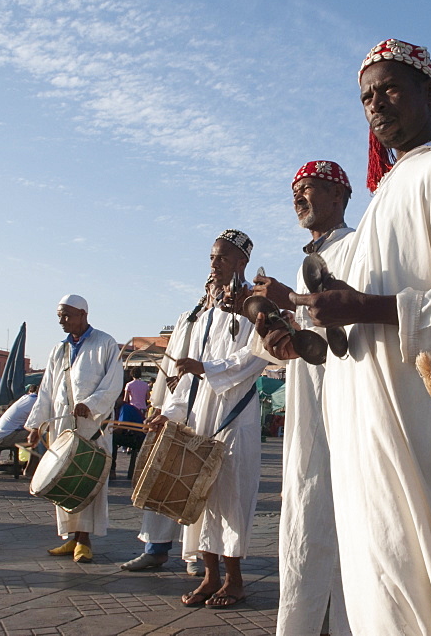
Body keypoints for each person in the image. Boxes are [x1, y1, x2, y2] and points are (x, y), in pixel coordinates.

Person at [287, 39, 431, 634]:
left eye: (389, 88)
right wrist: (311, 329)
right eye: (366, 96)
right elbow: (360, 333)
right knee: (379, 596)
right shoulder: (381, 198)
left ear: (429, 92)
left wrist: (365, 305)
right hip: (371, 441)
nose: (376, 104)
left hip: (429, 443)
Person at [254, 160, 354, 636]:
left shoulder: (357, 248)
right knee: (309, 509)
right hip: (310, 403)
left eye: (309, 189)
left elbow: (351, 329)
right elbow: (311, 336)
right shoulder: (305, 260)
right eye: (295, 191)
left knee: (348, 516)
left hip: (347, 403)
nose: (299, 198)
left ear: (339, 197)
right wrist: (281, 333)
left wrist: (290, 303)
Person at [149, 229, 268, 608]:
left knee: (231, 496)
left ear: (241, 263)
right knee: (198, 494)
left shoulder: (257, 305)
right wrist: (170, 413)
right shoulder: (204, 314)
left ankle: (234, 580)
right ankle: (209, 576)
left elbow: (256, 357)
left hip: (235, 416)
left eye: (222, 258)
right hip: (200, 415)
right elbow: (187, 376)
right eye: (212, 257)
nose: (214, 264)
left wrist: (206, 367)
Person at [25, 294, 123, 564]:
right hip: (63, 427)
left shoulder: (106, 343)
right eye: (59, 316)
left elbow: (113, 384)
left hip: (94, 427)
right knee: (64, 480)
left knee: (88, 481)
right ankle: (71, 537)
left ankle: (85, 540)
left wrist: (90, 405)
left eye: (66, 315)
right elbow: (47, 390)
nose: (62, 321)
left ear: (83, 314)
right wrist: (36, 426)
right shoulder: (58, 350)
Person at [120, 296, 209, 576]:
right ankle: (155, 549)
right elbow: (172, 366)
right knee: (161, 476)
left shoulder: (233, 316)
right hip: (173, 402)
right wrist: (163, 401)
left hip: (207, 408)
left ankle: (195, 555)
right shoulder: (187, 318)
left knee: (197, 483)